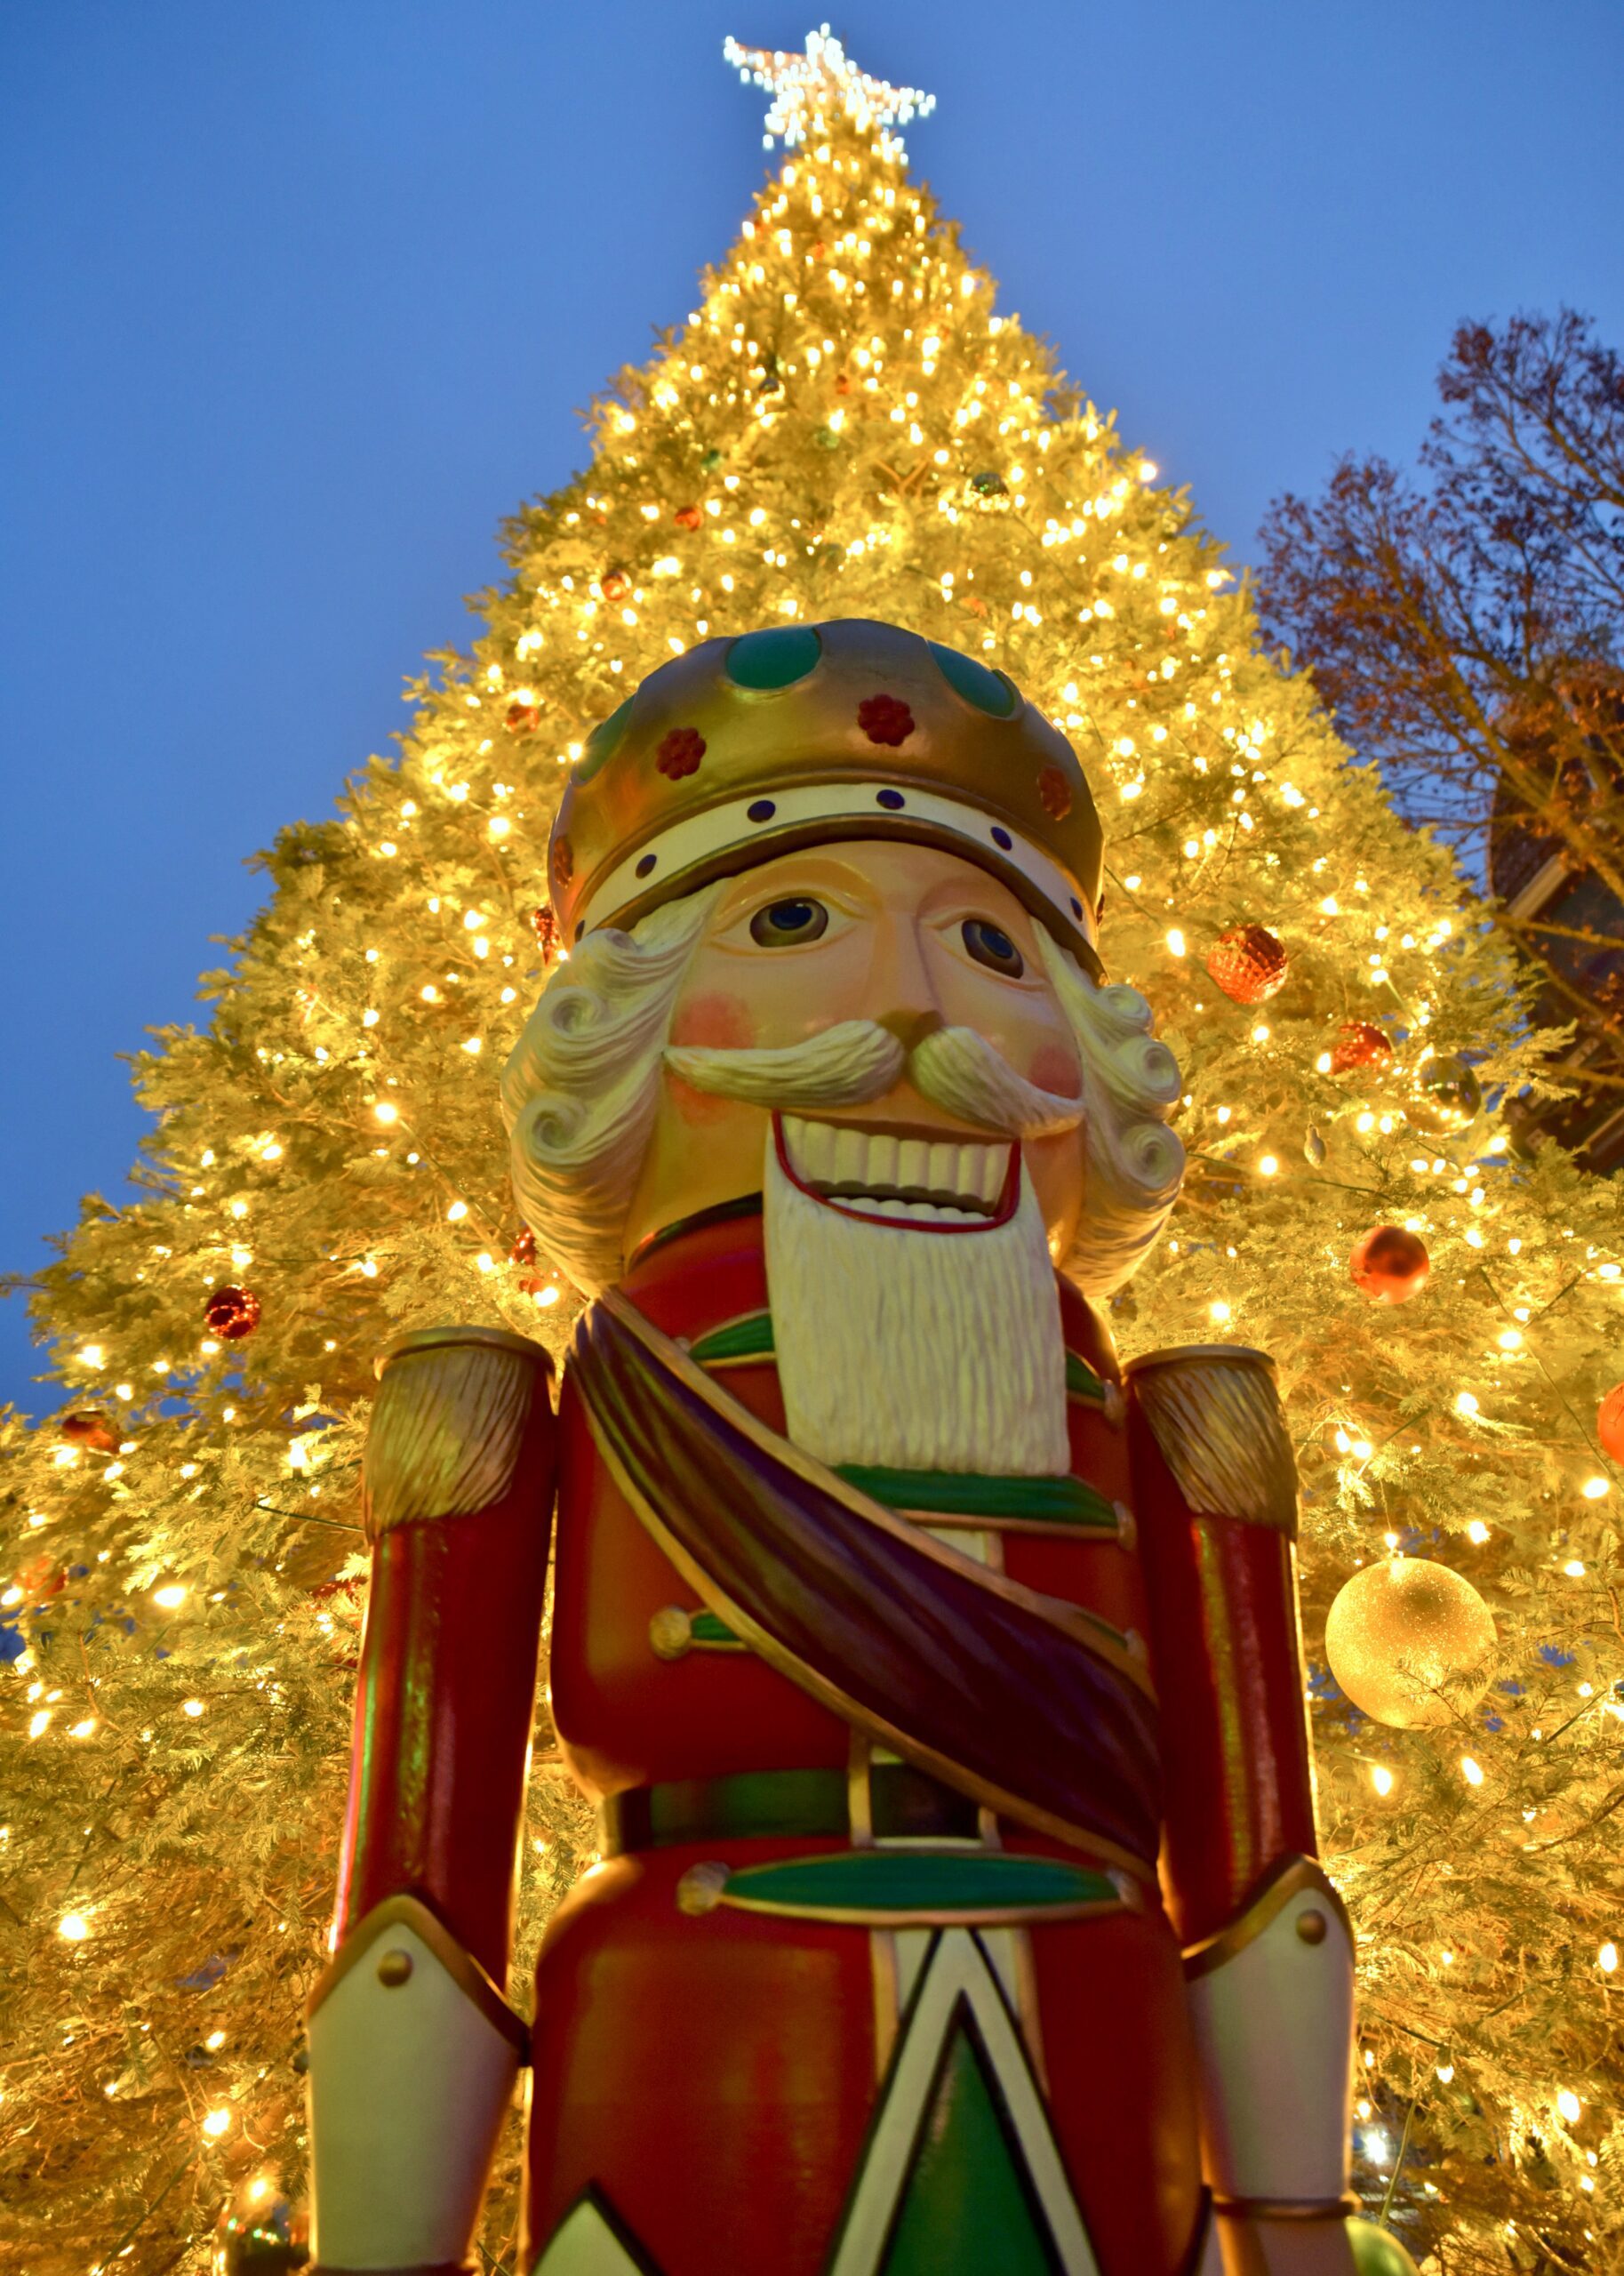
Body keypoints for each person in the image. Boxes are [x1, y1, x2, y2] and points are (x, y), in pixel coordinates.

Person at [302, 621, 1418, 2276]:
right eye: (796, 920)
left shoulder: (1170, 1413)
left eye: (984, 942)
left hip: (1097, 2036)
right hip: (692, 2040)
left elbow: (1263, 1853)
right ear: (622, 1020)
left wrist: (1294, 2216)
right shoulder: (529, 1395)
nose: (905, 1007)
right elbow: (420, 1859)